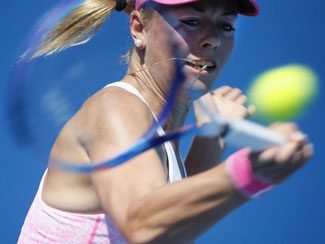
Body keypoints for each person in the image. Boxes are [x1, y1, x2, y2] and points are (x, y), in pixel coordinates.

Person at [18, 0, 313, 243]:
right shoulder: (117, 106)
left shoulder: (154, 134)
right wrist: (250, 172)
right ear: (138, 28)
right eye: (192, 21)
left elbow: (176, 220)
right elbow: (143, 225)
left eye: (226, 25)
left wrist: (211, 139)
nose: (213, 39)